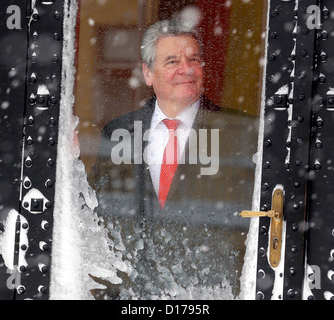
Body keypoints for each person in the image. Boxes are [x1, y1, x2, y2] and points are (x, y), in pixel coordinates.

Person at [89, 19, 253, 299]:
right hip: (131, 295)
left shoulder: (240, 133)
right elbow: (95, 215)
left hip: (208, 292)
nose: (185, 70)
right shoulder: (119, 132)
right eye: (172, 61)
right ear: (148, 73)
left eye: (193, 59)